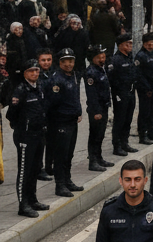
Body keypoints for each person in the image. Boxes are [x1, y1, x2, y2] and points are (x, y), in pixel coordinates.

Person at [7, 60, 49, 217]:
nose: (35, 73)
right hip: (25, 136)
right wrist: (22, 126)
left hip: (39, 134)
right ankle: (23, 205)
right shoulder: (20, 90)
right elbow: (11, 114)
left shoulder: (39, 87)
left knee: (35, 169)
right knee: (25, 170)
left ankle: (32, 199)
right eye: (31, 71)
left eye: (37, 70)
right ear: (25, 73)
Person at [46, 47, 83, 197]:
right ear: (60, 63)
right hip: (61, 122)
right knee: (60, 155)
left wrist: (78, 112)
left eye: (71, 61)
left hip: (72, 120)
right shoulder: (56, 79)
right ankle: (60, 184)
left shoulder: (74, 75)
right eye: (65, 61)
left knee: (69, 154)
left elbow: (75, 96)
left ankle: (67, 180)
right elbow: (52, 103)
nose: (68, 64)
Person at [109, 33, 140, 156]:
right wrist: (119, 92)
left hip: (130, 92)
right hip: (121, 94)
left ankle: (124, 142)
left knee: (128, 119)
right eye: (128, 43)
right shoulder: (116, 60)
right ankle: (117, 146)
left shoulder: (129, 57)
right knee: (120, 120)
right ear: (120, 45)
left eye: (131, 43)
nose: (130, 45)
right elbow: (112, 79)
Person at [85, 44, 114, 172]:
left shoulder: (101, 69)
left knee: (101, 134)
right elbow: (92, 95)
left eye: (103, 57)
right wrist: (96, 111)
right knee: (95, 135)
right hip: (96, 109)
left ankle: (99, 157)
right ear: (93, 58)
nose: (102, 59)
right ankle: (93, 161)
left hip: (104, 106)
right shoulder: (91, 73)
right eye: (99, 58)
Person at [134, 32, 153, 145]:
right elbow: (139, 75)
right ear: (145, 44)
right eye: (150, 44)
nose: (152, 46)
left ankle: (151, 132)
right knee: (144, 112)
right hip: (145, 89)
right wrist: (147, 88)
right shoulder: (140, 56)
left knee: (152, 111)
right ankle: (143, 134)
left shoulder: (152, 53)